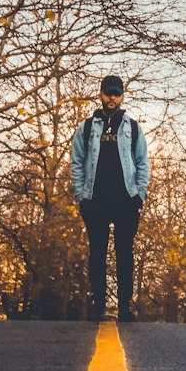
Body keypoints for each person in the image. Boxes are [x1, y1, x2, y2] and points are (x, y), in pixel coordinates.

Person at [70, 74, 149, 322]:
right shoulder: (86, 127)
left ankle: (124, 307)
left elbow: (142, 163)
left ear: (122, 96)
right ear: (101, 94)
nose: (112, 98)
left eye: (116, 93)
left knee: (125, 252)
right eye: (108, 93)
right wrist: (81, 196)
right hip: (96, 199)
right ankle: (99, 307)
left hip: (126, 199)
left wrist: (140, 195)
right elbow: (77, 163)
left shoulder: (133, 128)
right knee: (97, 253)